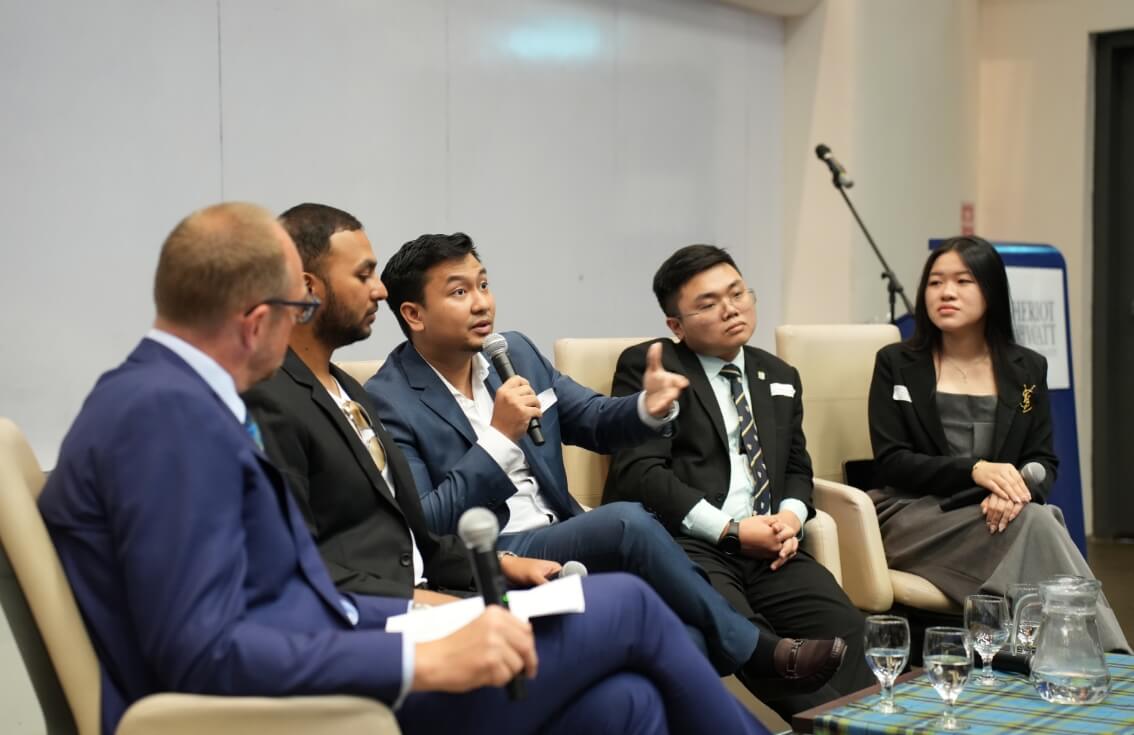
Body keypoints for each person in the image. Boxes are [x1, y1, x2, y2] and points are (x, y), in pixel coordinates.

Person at [37, 202, 774, 735]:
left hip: (355, 644)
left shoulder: (168, 398)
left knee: (628, 704)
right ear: (257, 320)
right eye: (297, 304)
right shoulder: (162, 418)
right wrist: (416, 655)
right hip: (309, 707)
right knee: (630, 609)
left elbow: (285, 592)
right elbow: (202, 653)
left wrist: (430, 617)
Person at [365, 232, 848, 705]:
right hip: (497, 552)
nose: (481, 303)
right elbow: (428, 521)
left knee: (687, 638)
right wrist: (498, 438)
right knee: (628, 519)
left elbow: (593, 419)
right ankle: (757, 650)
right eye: (459, 291)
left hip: (565, 530)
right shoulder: (390, 399)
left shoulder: (514, 354)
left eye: (484, 284)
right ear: (414, 314)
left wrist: (649, 407)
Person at [604, 244, 875, 711]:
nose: (731, 309)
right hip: (688, 543)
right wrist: (728, 532)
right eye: (708, 303)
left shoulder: (778, 373)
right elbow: (639, 473)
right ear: (676, 325)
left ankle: (868, 723)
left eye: (737, 293)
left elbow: (796, 466)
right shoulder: (653, 366)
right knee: (749, 636)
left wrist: (790, 519)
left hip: (770, 544)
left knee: (845, 628)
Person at [244, 203, 558, 604]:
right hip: (380, 618)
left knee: (614, 617)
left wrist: (502, 564)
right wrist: (420, 602)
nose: (380, 289)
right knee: (623, 608)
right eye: (363, 275)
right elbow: (300, 562)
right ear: (308, 288)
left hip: (438, 592)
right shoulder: (268, 397)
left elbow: (415, 537)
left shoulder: (348, 389)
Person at [866, 235, 1129, 652]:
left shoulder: (1026, 368)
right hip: (912, 516)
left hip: (993, 517)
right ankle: (1106, 658)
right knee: (1041, 523)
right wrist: (977, 472)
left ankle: (1034, 656)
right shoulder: (896, 363)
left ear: (991, 290)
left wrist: (1015, 492)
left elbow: (1042, 459)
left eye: (963, 281)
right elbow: (891, 461)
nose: (946, 292)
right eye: (935, 282)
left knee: (1036, 518)